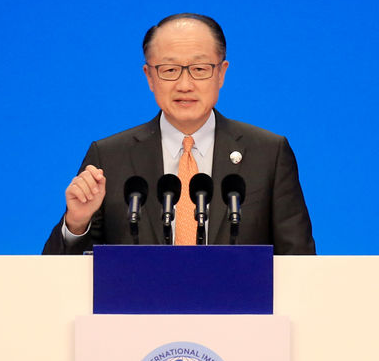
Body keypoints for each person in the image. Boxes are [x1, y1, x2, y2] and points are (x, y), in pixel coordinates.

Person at [42, 13, 315, 255]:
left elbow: (299, 263)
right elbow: (59, 279)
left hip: (237, 312)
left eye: (199, 69)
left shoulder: (268, 153)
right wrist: (76, 223)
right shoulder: (110, 156)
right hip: (138, 312)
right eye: (170, 70)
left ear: (222, 73)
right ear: (149, 76)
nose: (185, 85)